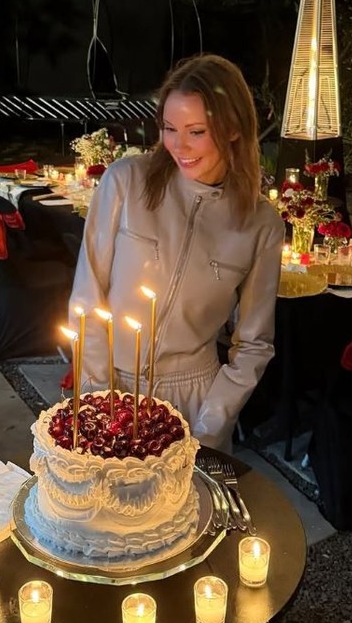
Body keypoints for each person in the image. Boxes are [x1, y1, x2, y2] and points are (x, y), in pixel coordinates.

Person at [69, 54, 284, 451]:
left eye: (197, 131)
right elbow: (87, 294)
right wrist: (96, 401)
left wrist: (210, 424)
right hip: (111, 388)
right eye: (169, 128)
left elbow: (254, 343)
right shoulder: (126, 182)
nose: (179, 145)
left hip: (194, 402)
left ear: (233, 127)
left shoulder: (261, 224)